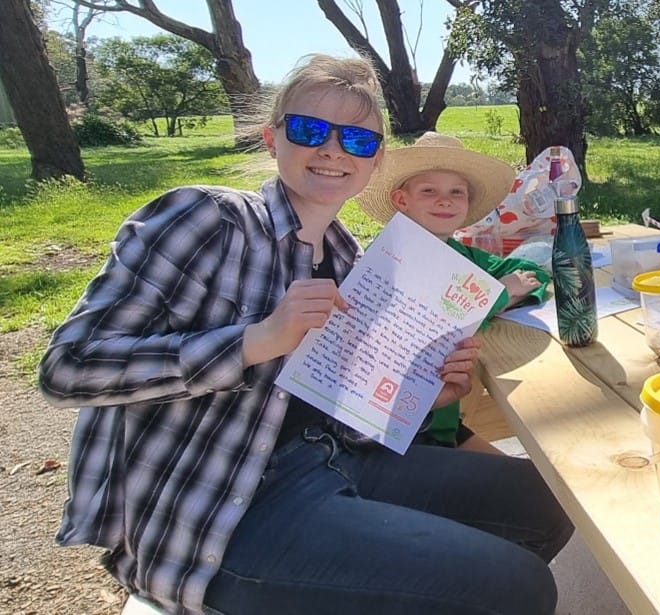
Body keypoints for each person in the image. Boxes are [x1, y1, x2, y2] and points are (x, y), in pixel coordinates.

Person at [37, 54, 572, 615]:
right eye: (311, 130)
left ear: (375, 160)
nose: (333, 150)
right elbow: (69, 367)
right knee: (514, 586)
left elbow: (340, 410)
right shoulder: (207, 219)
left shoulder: (350, 261)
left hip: (329, 458)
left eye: (357, 140)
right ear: (273, 138)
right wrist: (256, 340)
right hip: (219, 510)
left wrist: (416, 398)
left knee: (548, 500)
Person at [357, 131, 550, 453]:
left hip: (445, 425)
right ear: (402, 200)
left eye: (456, 192)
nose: (444, 200)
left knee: (538, 481)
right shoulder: (389, 255)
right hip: (398, 426)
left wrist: (494, 297)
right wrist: (498, 294)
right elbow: (433, 319)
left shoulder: (462, 255)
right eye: (429, 191)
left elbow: (535, 275)